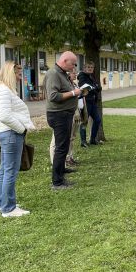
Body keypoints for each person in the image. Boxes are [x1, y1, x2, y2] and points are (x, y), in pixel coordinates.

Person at [0, 61, 35, 217]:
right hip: (10, 133)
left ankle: (2, 203)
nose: (20, 77)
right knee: (10, 170)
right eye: (18, 74)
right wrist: (21, 129)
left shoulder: (3, 89)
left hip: (7, 133)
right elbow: (4, 115)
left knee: (4, 169)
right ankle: (9, 208)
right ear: (10, 73)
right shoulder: (3, 90)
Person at [45, 51, 83, 190]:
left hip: (65, 114)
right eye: (72, 64)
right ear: (65, 60)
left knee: (64, 146)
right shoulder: (53, 74)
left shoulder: (62, 74)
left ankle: (61, 171)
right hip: (58, 115)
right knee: (61, 148)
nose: (73, 67)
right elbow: (53, 96)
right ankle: (57, 182)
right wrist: (74, 93)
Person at [50, 67, 83, 166]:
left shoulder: (74, 84)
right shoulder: (62, 85)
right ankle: (55, 162)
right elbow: (57, 97)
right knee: (56, 141)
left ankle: (69, 157)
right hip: (63, 114)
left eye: (76, 72)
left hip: (75, 113)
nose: (75, 74)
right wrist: (74, 93)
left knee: (71, 137)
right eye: (73, 73)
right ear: (67, 74)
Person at [78, 61, 103, 146]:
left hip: (93, 101)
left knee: (97, 120)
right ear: (84, 68)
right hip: (86, 101)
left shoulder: (91, 77)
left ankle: (92, 139)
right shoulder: (81, 75)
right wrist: (94, 88)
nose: (90, 69)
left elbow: (96, 87)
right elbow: (84, 86)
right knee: (84, 121)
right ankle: (83, 141)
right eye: (88, 67)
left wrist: (95, 88)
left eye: (92, 67)